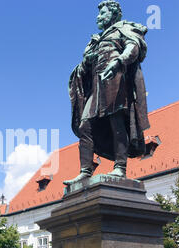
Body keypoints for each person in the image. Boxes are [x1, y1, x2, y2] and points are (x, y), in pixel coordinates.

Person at [64, 0, 150, 185]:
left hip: (115, 81)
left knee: (116, 121)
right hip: (96, 86)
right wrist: (87, 61)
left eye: (103, 13)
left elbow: (134, 47)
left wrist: (119, 61)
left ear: (114, 14)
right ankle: (85, 171)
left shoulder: (124, 29)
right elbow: (83, 68)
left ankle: (120, 167)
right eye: (99, 14)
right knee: (84, 126)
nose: (99, 17)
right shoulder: (95, 40)